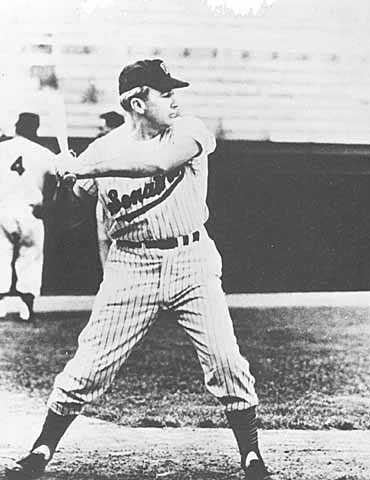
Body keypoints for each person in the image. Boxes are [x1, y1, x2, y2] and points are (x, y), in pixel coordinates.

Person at [6, 60, 272, 480]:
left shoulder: (188, 130)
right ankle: (41, 450)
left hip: (192, 260)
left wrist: (88, 169)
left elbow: (160, 164)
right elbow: (75, 213)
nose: (173, 98)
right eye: (164, 92)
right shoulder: (103, 148)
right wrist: (66, 180)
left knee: (225, 361)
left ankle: (251, 454)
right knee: (88, 365)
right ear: (136, 102)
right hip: (131, 264)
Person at [0, 112, 57, 321]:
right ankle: (26, 306)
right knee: (30, 257)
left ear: (16, 126)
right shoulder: (44, 153)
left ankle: (2, 304)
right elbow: (55, 179)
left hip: (4, 208)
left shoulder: (2, 148)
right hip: (31, 211)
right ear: (35, 129)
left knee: (1, 255)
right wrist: (48, 203)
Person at [96, 111, 125, 268]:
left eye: (104, 128)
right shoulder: (99, 150)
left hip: (122, 205)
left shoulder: (128, 148)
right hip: (103, 207)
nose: (100, 132)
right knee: (104, 250)